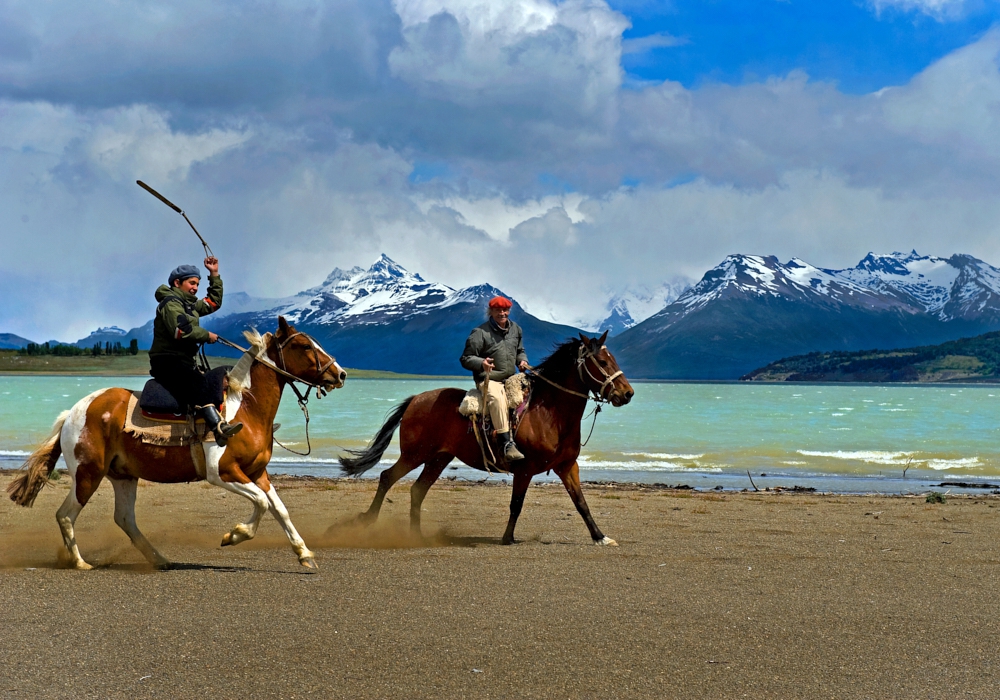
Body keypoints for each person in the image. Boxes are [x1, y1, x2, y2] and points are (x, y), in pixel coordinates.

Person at [149, 257, 243, 446]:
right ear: (178, 283)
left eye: (197, 284)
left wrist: (214, 274)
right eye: (192, 283)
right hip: (167, 361)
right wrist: (206, 335)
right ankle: (218, 429)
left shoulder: (189, 304)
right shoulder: (170, 303)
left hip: (182, 361)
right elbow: (180, 330)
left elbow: (213, 303)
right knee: (199, 384)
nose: (195, 288)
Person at [460, 295, 529, 460]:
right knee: (497, 399)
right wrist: (482, 363)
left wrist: (522, 360)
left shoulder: (516, 329)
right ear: (490, 312)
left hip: (511, 377)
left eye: (505, 310)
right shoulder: (480, 333)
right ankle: (506, 443)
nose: (502, 313)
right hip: (488, 378)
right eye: (498, 310)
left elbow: (520, 350)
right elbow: (466, 358)